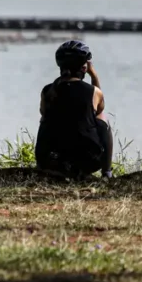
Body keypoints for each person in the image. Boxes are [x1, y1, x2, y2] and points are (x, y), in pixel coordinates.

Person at [35, 40, 114, 178]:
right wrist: (93, 74)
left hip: (51, 161)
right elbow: (98, 108)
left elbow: (44, 113)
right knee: (102, 118)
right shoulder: (93, 92)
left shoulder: (48, 91)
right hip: (87, 161)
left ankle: (42, 166)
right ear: (84, 68)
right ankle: (106, 173)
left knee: (45, 117)